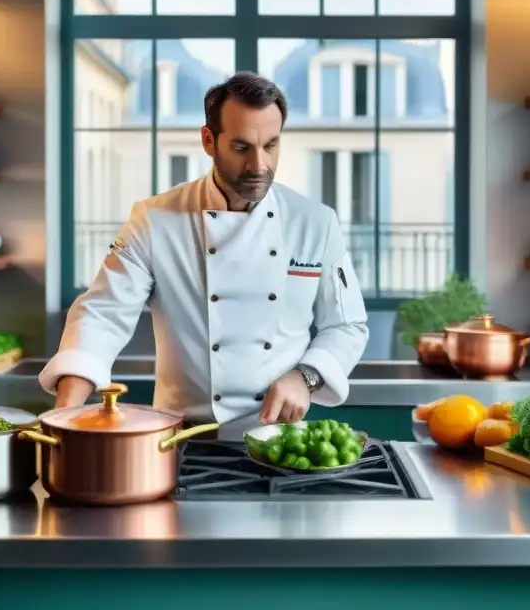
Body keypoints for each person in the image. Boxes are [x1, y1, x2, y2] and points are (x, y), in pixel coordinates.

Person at [40, 72, 368, 435]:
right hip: (175, 440)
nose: (259, 165)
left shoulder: (315, 223)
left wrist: (305, 377)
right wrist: (63, 416)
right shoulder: (155, 220)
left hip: (279, 439)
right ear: (208, 141)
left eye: (271, 145)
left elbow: (347, 324)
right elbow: (103, 314)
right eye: (242, 147)